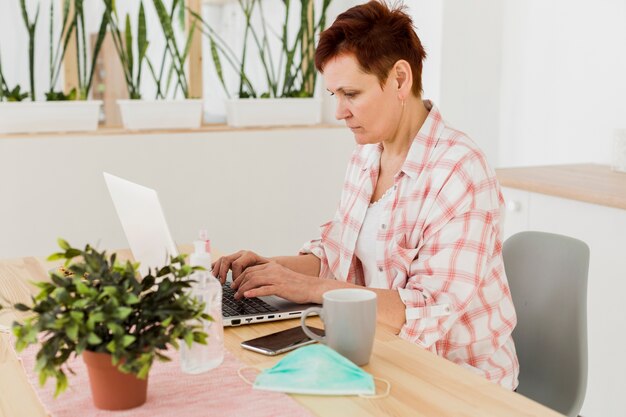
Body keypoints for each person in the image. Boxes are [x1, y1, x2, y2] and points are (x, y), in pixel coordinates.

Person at [212, 0, 519, 390]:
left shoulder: (460, 171)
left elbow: (429, 309)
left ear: (400, 80)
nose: (339, 111)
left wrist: (310, 289)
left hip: (459, 382)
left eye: (351, 93)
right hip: (386, 358)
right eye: (333, 94)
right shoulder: (366, 156)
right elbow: (337, 254)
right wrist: (269, 270)